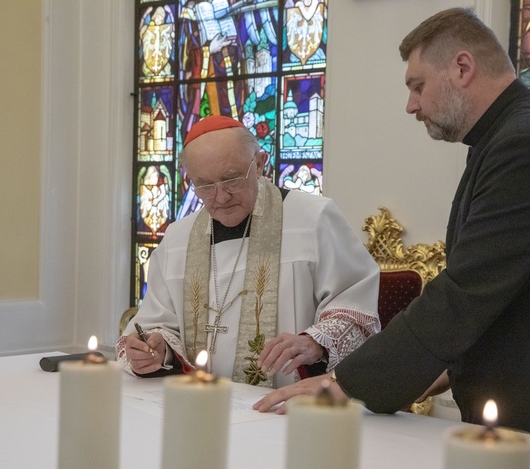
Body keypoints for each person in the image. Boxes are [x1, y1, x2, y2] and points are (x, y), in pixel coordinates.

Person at [255, 8, 530, 460]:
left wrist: (346, 385)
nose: (411, 105)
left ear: (462, 67)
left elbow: (467, 292)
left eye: (417, 86)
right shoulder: (509, 136)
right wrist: (424, 373)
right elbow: (507, 289)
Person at [117, 115, 381, 388]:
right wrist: (157, 350)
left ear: (259, 164)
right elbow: (155, 326)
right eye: (205, 186)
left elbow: (354, 311)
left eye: (231, 180)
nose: (220, 197)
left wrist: (314, 342)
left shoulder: (313, 219)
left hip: (287, 407)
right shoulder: (177, 238)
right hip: (198, 403)